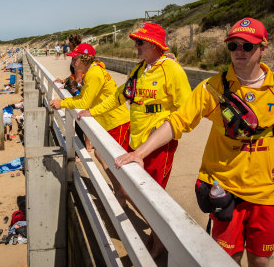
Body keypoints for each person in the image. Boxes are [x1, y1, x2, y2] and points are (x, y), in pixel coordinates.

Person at [113, 18, 274, 267]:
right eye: (233, 46)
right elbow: (177, 121)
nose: (239, 52)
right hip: (223, 188)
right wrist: (141, 152)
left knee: (260, 261)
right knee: (226, 259)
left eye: (247, 46)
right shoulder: (212, 88)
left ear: (263, 48)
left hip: (268, 190)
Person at [78, 23, 192, 258]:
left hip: (160, 146)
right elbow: (120, 95)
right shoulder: (141, 69)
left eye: (139, 42)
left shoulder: (171, 70)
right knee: (133, 190)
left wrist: (163, 128)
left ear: (154, 44)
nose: (135, 46)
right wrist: (94, 111)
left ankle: (160, 240)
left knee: (155, 196)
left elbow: (186, 110)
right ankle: (157, 233)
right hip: (136, 141)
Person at [50, 43, 131, 209]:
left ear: (84, 58)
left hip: (117, 121)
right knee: (102, 156)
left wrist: (62, 103)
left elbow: (85, 100)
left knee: (118, 163)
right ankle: (119, 192)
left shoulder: (94, 73)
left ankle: (123, 194)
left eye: (75, 58)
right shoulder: (93, 71)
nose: (72, 61)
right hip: (108, 121)